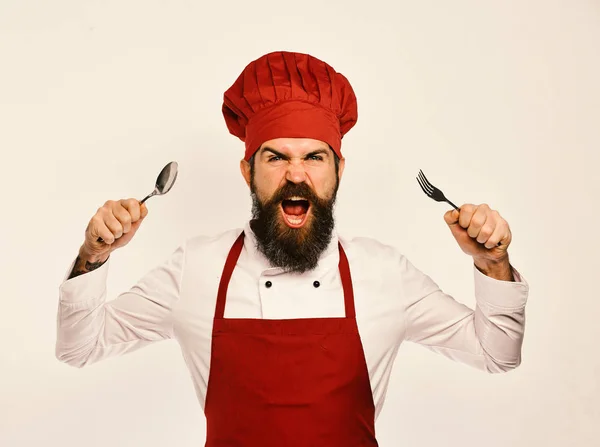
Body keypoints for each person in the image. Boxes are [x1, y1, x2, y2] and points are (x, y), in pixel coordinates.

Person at [56, 51, 529, 446]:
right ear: (248, 171)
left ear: (338, 169)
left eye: (314, 157)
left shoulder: (383, 272)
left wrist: (492, 264)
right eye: (276, 156)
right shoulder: (195, 269)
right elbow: (80, 348)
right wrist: (93, 256)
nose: (296, 174)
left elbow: (496, 354)